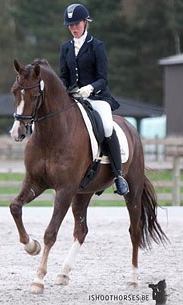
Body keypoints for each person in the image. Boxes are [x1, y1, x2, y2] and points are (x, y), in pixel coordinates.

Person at [59, 3, 129, 195]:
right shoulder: (65, 48)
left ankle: (119, 175)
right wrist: (66, 90)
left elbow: (103, 79)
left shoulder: (97, 46)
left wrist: (89, 89)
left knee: (107, 126)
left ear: (85, 22)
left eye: (76, 24)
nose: (73, 28)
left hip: (97, 98)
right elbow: (64, 76)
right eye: (70, 25)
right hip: (75, 99)